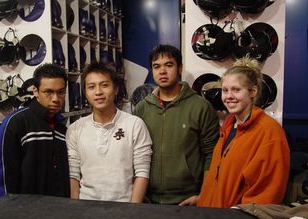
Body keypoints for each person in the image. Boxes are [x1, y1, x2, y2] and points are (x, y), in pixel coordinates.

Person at [180, 57, 290, 208]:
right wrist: (203, 199)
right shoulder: (229, 127)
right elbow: (221, 179)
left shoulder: (270, 133)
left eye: (236, 90)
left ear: (253, 92)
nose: (229, 96)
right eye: (225, 90)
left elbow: (268, 193)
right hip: (214, 218)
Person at [134, 44, 219, 204]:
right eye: (156, 66)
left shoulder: (200, 106)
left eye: (169, 65)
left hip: (187, 200)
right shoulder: (142, 108)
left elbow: (212, 155)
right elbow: (133, 153)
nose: (162, 71)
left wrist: (204, 195)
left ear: (180, 68)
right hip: (148, 199)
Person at [66, 63, 152, 203]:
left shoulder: (135, 125)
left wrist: (133, 209)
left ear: (116, 89)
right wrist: (75, 208)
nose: (98, 92)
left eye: (104, 85)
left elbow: (142, 172)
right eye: (91, 87)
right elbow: (73, 174)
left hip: (125, 207)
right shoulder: (75, 129)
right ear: (85, 92)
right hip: (86, 207)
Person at [0, 63, 70, 199]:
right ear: (35, 91)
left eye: (61, 92)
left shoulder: (62, 128)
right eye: (48, 92)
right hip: (24, 213)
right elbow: (1, 175)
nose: (56, 99)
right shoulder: (16, 122)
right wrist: (7, 212)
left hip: (58, 210)